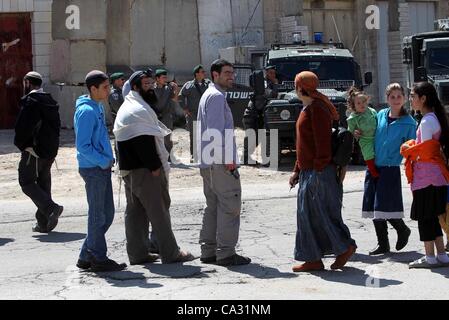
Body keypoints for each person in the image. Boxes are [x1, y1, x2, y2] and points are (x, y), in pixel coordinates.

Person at [113, 71, 195, 265]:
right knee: (159, 212)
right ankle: (171, 253)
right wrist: (155, 167)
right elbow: (144, 143)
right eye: (146, 84)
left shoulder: (133, 106)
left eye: (151, 84)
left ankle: (138, 254)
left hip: (131, 171)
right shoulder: (137, 110)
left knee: (136, 213)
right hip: (144, 171)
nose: (150, 88)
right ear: (135, 88)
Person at [289, 71, 357, 272]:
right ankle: (313, 259)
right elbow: (304, 145)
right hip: (309, 171)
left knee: (322, 215)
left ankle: (345, 247)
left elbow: (322, 144)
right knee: (308, 217)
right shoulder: (308, 108)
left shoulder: (317, 109)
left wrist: (318, 169)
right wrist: (297, 170)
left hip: (318, 172)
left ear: (300, 87)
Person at [196, 59, 251, 266]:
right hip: (219, 162)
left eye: (232, 73)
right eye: (227, 72)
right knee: (230, 206)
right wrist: (228, 160)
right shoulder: (217, 97)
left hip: (208, 162)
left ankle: (208, 251)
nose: (231, 76)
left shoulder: (209, 95)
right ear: (215, 74)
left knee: (213, 206)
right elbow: (216, 133)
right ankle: (226, 253)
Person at [74, 70, 127, 272]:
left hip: (101, 167)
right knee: (98, 215)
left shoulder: (96, 107)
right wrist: (103, 161)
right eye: (105, 87)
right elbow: (83, 146)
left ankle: (85, 255)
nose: (109, 90)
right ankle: (98, 257)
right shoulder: (87, 112)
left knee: (106, 213)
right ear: (93, 89)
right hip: (93, 169)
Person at [361, 83, 415, 256]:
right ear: (387, 99)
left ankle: (402, 229)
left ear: (405, 99)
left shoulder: (409, 122)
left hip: (390, 168)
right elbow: (370, 132)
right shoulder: (380, 115)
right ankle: (383, 244)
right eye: (392, 97)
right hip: (374, 164)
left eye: (399, 96)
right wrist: (358, 133)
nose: (396, 99)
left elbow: (412, 147)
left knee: (385, 205)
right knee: (373, 205)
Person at [401, 82, 449, 268]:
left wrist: (408, 149)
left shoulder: (428, 121)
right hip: (435, 177)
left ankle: (429, 257)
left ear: (423, 99)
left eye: (413, 96)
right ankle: (442, 256)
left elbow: (425, 152)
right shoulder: (433, 118)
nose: (411, 99)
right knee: (433, 215)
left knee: (425, 217)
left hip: (426, 177)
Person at [14, 71, 63, 233]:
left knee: (26, 182)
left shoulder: (31, 101)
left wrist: (23, 145)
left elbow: (23, 128)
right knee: (43, 183)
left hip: (33, 151)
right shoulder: (50, 100)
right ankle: (43, 223)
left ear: (28, 82)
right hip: (50, 151)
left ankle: (51, 208)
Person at [178, 65, 211, 162]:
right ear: (196, 74)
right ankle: (194, 155)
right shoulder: (189, 85)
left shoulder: (208, 84)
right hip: (194, 114)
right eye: (202, 72)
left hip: (206, 114)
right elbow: (181, 96)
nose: (204, 73)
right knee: (194, 135)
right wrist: (185, 108)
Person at [346, 87, 379, 178]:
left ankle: (380, 168)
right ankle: (373, 172)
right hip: (365, 140)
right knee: (368, 155)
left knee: (379, 153)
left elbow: (379, 121)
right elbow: (350, 131)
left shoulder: (372, 111)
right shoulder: (353, 118)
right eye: (358, 103)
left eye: (364, 101)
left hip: (377, 137)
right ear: (353, 106)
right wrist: (354, 133)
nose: (362, 104)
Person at [154, 69, 179, 155]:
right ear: (157, 79)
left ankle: (169, 156)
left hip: (166, 117)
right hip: (155, 117)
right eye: (163, 77)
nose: (165, 79)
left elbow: (175, 99)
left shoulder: (168, 88)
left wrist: (176, 89)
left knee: (168, 138)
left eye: (166, 77)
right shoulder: (152, 89)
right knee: (156, 138)